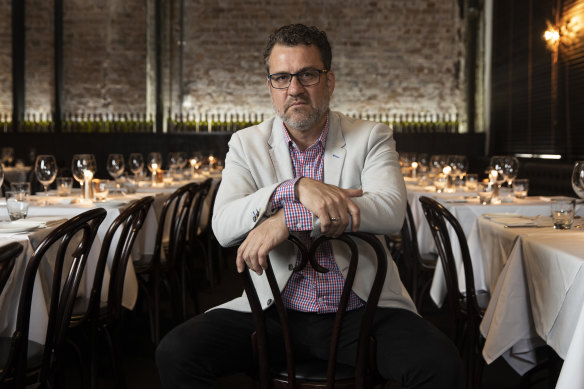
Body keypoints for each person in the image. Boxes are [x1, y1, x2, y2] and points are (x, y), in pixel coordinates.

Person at [156, 23, 461, 388]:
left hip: (362, 312)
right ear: (270, 86)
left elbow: (391, 210)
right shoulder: (246, 143)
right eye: (282, 78)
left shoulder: (371, 136)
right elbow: (223, 226)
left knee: (440, 365)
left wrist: (287, 219)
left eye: (307, 75)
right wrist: (293, 188)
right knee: (176, 353)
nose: (295, 89)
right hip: (273, 310)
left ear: (328, 81)